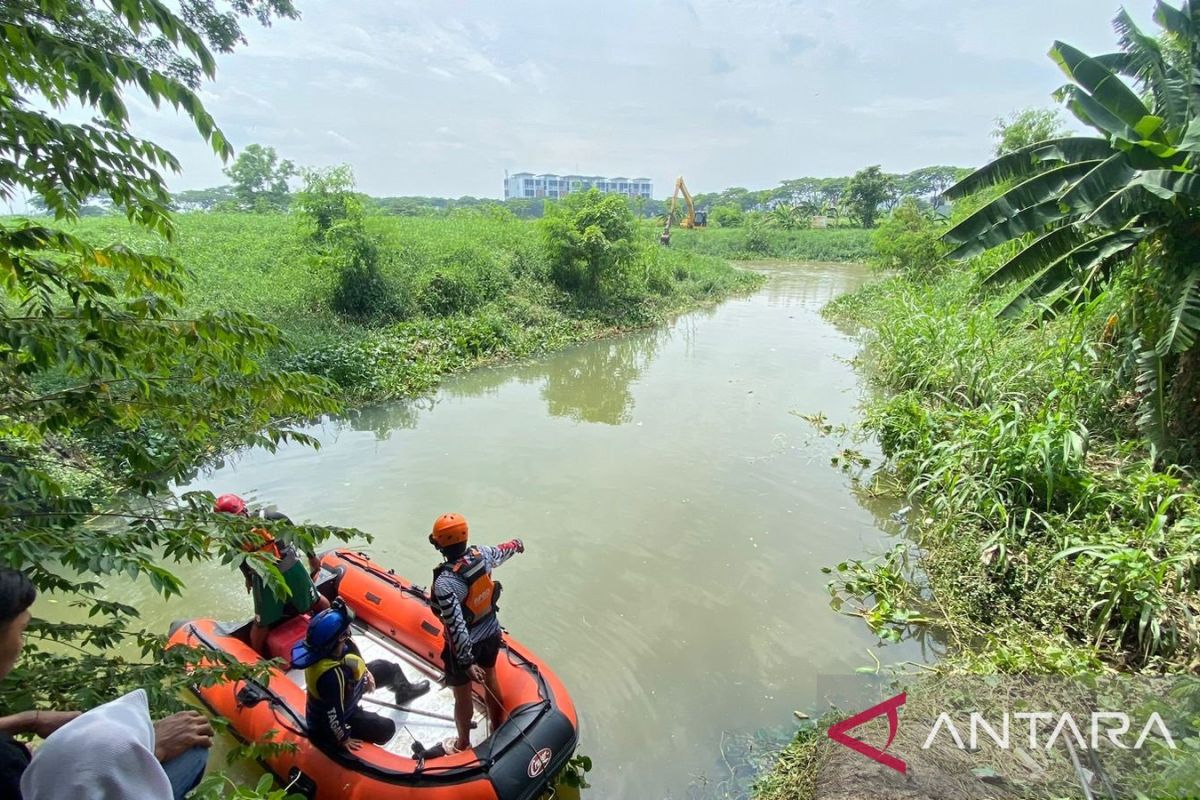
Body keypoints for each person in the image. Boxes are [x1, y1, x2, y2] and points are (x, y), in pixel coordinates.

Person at [0, 568, 213, 800]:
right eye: (21, 631)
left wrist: (28, 720)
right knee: (192, 751)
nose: (22, 643)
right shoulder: (6, 764)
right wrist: (146, 750)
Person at [428, 513, 524, 753]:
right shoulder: (482, 555)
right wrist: (517, 544)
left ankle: (463, 743)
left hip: (466, 645)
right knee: (491, 677)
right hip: (491, 632)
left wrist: (466, 661)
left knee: (462, 696)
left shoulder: (446, 582)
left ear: (439, 544)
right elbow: (503, 550)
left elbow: (456, 625)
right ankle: (498, 725)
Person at [291, 601, 430, 753]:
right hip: (342, 714)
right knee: (386, 728)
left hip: (349, 689)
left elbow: (356, 658)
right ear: (340, 637)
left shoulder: (339, 646)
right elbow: (333, 714)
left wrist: (366, 673)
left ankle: (405, 691)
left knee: (388, 669)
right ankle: (360, 734)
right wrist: (343, 738)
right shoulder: (330, 677)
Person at [213, 493, 331, 655]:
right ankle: (257, 656)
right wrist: (248, 578)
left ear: (244, 510)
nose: (235, 523)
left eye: (236, 517)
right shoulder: (233, 538)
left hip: (291, 568)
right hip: (263, 577)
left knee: (315, 601)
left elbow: (297, 536)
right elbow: (240, 558)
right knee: (262, 622)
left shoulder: (270, 518)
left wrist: (312, 556)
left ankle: (336, 626)